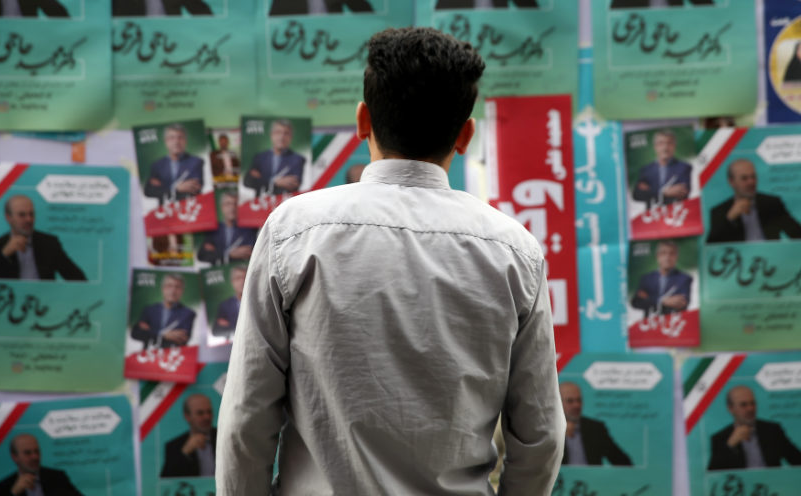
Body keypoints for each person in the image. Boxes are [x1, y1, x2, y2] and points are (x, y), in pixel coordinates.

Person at [217, 27, 564, 494]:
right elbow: (540, 435)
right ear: (465, 135)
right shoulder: (514, 252)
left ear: (363, 121)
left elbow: (246, 417)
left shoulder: (294, 232)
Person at [0, 195, 85, 281]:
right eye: (22, 215)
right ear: (8, 217)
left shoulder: (49, 243)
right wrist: (4, 254)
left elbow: (78, 278)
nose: (29, 219)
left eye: (31, 214)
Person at [708, 385, 801, 470]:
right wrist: (730, 445)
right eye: (743, 405)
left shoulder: (773, 430)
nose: (750, 408)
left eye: (753, 403)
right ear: (731, 409)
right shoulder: (720, 438)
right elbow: (712, 474)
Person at [707, 159, 801, 243]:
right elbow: (711, 248)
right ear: (731, 182)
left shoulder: (771, 203)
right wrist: (730, 219)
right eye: (744, 178)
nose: (751, 182)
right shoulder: (719, 211)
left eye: (753, 177)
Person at [559, 382, 631, 466]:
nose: (576, 405)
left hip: (592, 478)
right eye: (570, 401)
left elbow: (623, 462)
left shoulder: (595, 428)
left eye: (579, 400)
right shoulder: (549, 430)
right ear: (558, 403)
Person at [0, 433, 83, 496]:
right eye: (28, 453)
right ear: (15, 457)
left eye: (37, 451)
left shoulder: (57, 477)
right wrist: (13, 493)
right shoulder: (3, 487)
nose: (35, 457)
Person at [130, 273, 195, 349]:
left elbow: (182, 339)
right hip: (149, 355)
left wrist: (150, 332)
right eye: (169, 286)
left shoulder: (188, 313)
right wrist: (162, 334)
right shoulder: (149, 310)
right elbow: (136, 333)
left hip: (172, 356)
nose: (173, 290)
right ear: (163, 288)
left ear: (182, 291)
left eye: (177, 287)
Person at [242, 120, 306, 196]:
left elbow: (293, 185)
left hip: (283, 203)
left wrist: (261, 180)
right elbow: (248, 181)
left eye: (286, 133)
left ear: (291, 137)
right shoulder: (260, 157)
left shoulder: (297, 159)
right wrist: (275, 182)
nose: (282, 137)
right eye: (278, 132)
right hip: (262, 204)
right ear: (272, 135)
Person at [144, 123, 205, 203]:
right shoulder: (157, 165)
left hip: (188, 208)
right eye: (172, 138)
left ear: (185, 141)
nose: (176, 141)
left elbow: (194, 188)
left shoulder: (196, 162)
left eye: (180, 137)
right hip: (165, 211)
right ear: (166, 141)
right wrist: (176, 188)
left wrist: (163, 189)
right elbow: (149, 191)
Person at [162, 394, 218, 477]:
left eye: (209, 412)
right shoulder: (174, 446)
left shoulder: (224, 439)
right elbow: (166, 481)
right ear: (187, 416)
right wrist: (185, 452)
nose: (207, 417)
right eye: (200, 413)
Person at [632, 129, 692, 207]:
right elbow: (637, 195)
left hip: (676, 213)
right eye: (661, 143)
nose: (665, 147)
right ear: (655, 147)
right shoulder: (646, 170)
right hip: (652, 215)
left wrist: (650, 192)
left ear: (674, 146)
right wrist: (663, 192)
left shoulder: (684, 167)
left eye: (669, 143)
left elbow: (683, 193)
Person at [631, 240, 692, 316]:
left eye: (671, 253)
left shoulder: (684, 279)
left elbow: (681, 303)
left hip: (673, 323)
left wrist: (649, 298)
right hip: (650, 323)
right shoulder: (646, 279)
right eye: (663, 253)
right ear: (657, 256)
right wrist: (662, 301)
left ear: (676, 256)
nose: (667, 257)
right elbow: (637, 302)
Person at [197, 192, 256, 265]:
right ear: (222, 207)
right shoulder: (213, 230)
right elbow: (202, 255)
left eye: (235, 204)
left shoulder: (249, 230)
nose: (232, 207)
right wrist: (228, 254)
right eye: (228, 204)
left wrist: (216, 252)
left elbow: (248, 253)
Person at [212, 265, 247, 337]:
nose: (242, 281)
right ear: (232, 282)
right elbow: (215, 332)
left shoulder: (260, 300)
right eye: (238, 278)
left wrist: (230, 324)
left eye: (245, 277)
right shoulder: (225, 305)